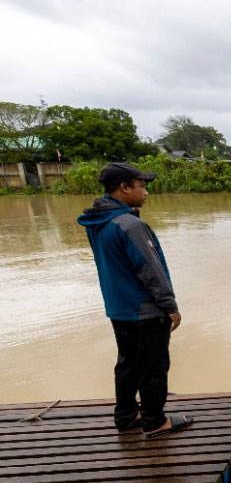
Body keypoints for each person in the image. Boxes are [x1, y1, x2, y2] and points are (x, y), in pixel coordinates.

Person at [77, 162, 193, 437]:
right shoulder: (130, 225)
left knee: (128, 363)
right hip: (145, 310)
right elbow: (150, 269)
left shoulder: (98, 221)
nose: (146, 192)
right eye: (141, 186)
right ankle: (155, 421)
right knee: (153, 366)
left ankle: (126, 415)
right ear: (124, 187)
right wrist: (170, 306)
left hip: (119, 307)